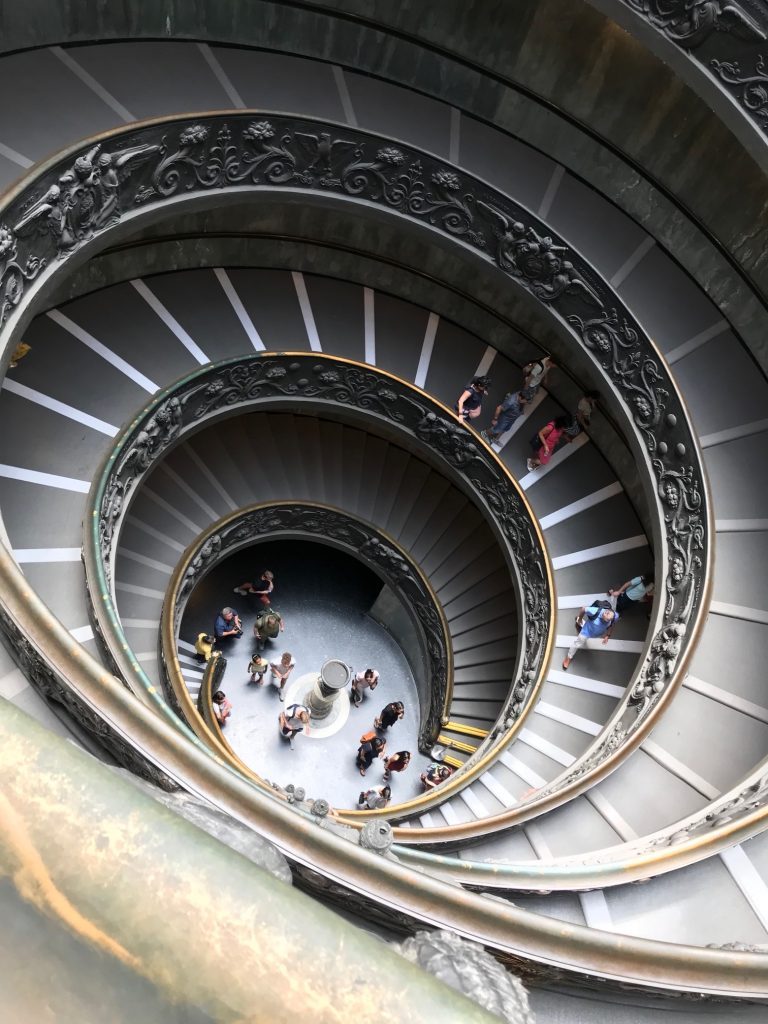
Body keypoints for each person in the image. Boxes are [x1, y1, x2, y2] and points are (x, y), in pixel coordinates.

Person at [562, 601, 619, 670]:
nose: (606, 613)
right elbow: (583, 609)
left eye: (608, 619)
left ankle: (579, 622)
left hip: (594, 633)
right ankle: (568, 657)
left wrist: (607, 636)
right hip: (586, 632)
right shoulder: (595, 612)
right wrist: (580, 618)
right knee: (577, 643)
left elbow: (611, 625)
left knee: (588, 625)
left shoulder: (611, 618)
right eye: (607, 613)